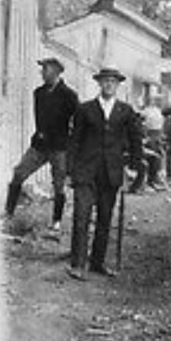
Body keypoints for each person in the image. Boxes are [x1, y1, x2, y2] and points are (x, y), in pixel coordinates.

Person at [66, 66, 142, 280]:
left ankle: (97, 262)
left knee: (105, 218)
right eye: (105, 81)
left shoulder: (125, 111)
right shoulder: (85, 109)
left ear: (117, 85)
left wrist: (134, 168)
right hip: (85, 171)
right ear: (99, 84)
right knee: (81, 216)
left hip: (111, 173)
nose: (109, 85)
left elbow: (136, 141)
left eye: (113, 82)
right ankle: (77, 264)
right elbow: (74, 141)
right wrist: (69, 170)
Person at [3, 57, 79, 235]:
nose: (42, 72)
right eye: (43, 69)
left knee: (59, 184)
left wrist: (70, 142)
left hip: (60, 147)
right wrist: (40, 133)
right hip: (40, 144)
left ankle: (57, 221)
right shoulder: (39, 93)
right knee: (19, 173)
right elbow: (40, 118)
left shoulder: (69, 95)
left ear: (56, 72)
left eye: (46, 69)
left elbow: (78, 121)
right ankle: (8, 213)